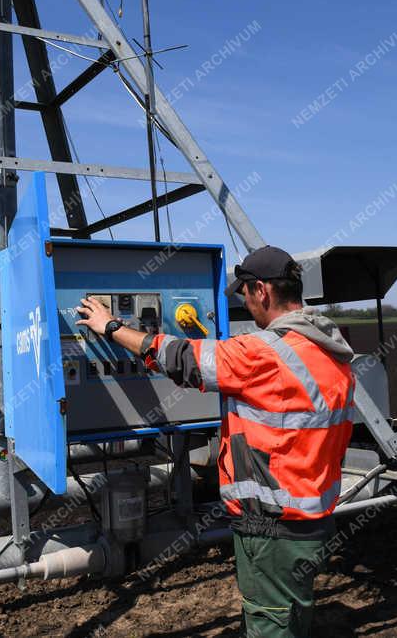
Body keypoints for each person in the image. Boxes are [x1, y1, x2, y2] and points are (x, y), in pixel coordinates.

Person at [75, 245, 355, 637]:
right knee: (292, 609)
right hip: (314, 517)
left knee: (270, 621)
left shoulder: (265, 353)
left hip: (272, 524)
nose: (246, 305)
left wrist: (111, 327)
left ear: (263, 291)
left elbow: (182, 358)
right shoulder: (332, 351)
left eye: (244, 295)